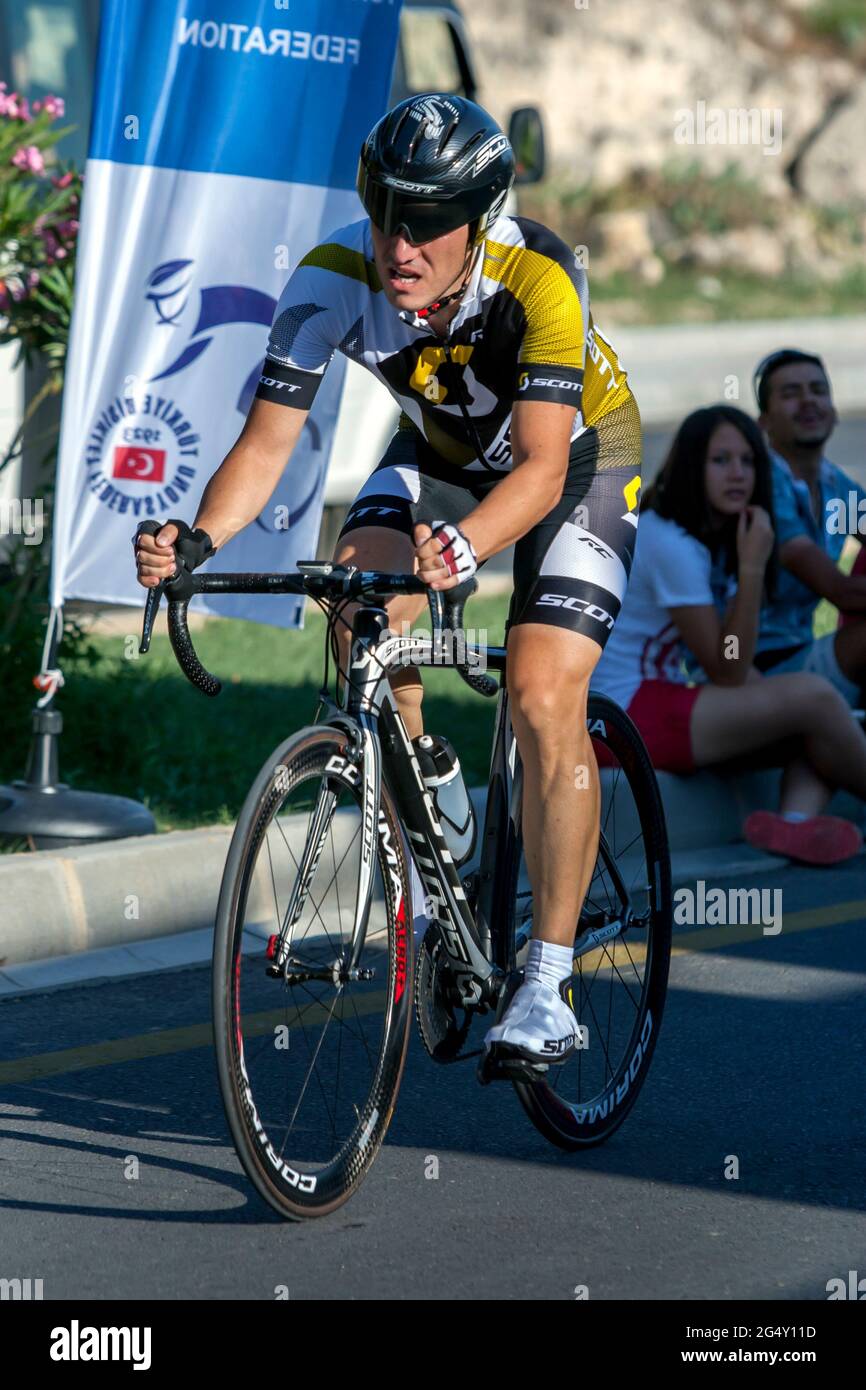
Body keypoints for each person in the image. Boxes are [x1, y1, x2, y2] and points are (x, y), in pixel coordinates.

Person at [134, 93, 643, 1066]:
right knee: (353, 603)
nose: (397, 246)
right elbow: (266, 447)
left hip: (576, 460)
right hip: (441, 453)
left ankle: (546, 982)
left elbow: (536, 470)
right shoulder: (330, 278)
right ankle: (429, 777)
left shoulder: (536, 277)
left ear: (478, 221)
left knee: (541, 691)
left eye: (423, 223)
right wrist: (194, 537)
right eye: (383, 216)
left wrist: (462, 550)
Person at [591, 404, 866, 865]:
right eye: (720, 461)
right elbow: (727, 668)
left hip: (651, 703)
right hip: (622, 715)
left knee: (815, 716)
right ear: (689, 466)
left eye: (748, 461)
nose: (737, 474)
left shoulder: (704, 536)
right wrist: (754, 564)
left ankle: (794, 824)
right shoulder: (671, 541)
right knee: (815, 698)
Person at [754, 348, 866, 703]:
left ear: (833, 412)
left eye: (818, 391)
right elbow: (842, 593)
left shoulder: (834, 484)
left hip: (802, 652)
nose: (808, 401)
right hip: (754, 667)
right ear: (764, 421)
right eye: (790, 394)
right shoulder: (763, 483)